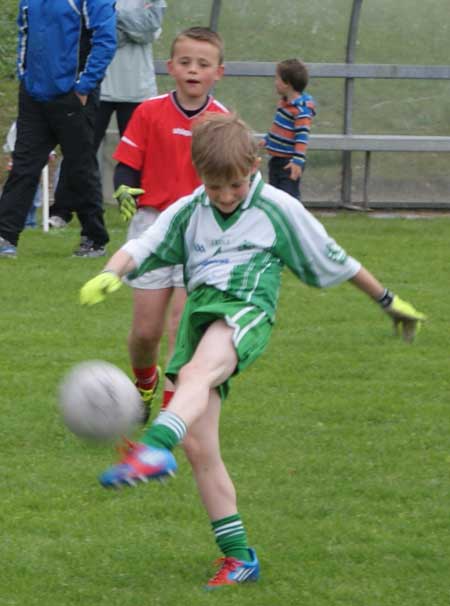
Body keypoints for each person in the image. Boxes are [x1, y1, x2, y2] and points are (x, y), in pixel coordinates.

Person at [79, 113, 426, 589]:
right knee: (201, 446)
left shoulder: (277, 208)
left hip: (244, 312)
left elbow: (336, 258)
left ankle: (154, 447)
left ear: (254, 165)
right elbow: (143, 245)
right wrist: (110, 273)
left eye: (235, 185)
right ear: (199, 173)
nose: (225, 196)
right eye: (215, 185)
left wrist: (388, 302)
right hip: (202, 317)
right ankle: (239, 558)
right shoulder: (188, 209)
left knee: (200, 373)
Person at [110, 26, 227, 418]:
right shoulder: (148, 111)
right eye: (186, 62)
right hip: (152, 228)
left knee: (182, 328)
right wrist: (124, 189)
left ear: (218, 72)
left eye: (203, 64)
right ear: (170, 67)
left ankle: (170, 416)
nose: (194, 70)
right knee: (146, 333)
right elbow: (127, 166)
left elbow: (237, 178)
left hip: (202, 233)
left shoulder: (222, 123)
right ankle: (144, 382)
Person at [0, 0, 116, 259]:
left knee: (79, 167)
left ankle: (94, 239)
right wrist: (24, 76)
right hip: (33, 95)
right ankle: (5, 236)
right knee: (23, 166)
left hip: (73, 95)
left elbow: (105, 39)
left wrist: (84, 85)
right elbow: (24, 31)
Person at [48, 0, 167, 231]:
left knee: (142, 155)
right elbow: (91, 33)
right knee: (79, 149)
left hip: (137, 89)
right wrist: (123, 25)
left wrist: (111, 17)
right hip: (98, 85)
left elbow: (149, 29)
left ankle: (146, 207)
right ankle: (62, 210)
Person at [262, 58, 316, 200]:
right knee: (275, 198)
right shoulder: (285, 104)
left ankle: (295, 221)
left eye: (277, 79)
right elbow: (279, 128)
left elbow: (302, 138)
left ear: (287, 84)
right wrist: (267, 140)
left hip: (288, 164)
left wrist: (297, 162)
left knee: (288, 200)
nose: (275, 82)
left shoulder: (301, 111)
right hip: (276, 160)